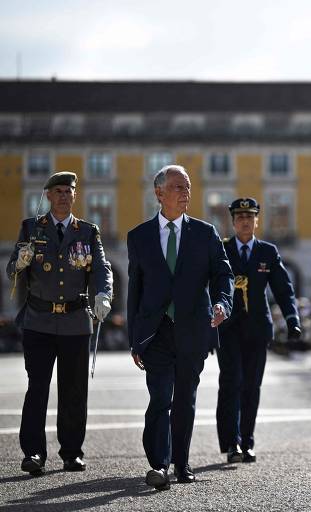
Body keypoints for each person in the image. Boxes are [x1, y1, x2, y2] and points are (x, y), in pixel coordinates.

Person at [127, 165, 234, 490]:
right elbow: (136, 291)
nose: (185, 192)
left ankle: (181, 461)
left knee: (185, 397)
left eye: (187, 187)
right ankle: (159, 463)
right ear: (159, 193)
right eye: (177, 187)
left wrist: (222, 302)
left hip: (193, 328)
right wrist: (136, 339)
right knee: (160, 397)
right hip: (156, 331)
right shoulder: (139, 236)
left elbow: (223, 274)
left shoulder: (205, 233)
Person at [6, 171, 113, 476]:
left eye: (69, 191)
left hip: (75, 322)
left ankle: (71, 453)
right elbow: (11, 272)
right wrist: (20, 262)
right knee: (37, 388)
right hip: (38, 321)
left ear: (74, 196)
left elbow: (101, 267)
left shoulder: (88, 231)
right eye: (59, 191)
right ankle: (34, 454)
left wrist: (103, 293)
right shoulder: (31, 227)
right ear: (49, 196)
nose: (65, 196)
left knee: (74, 391)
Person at [216, 198, 301, 463]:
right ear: (232, 222)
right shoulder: (221, 249)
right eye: (239, 217)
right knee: (231, 383)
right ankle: (232, 443)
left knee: (252, 386)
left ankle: (247, 441)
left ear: (257, 221)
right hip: (227, 329)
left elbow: (282, 288)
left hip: (257, 328)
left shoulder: (267, 252)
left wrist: (292, 318)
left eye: (249, 217)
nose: (244, 221)